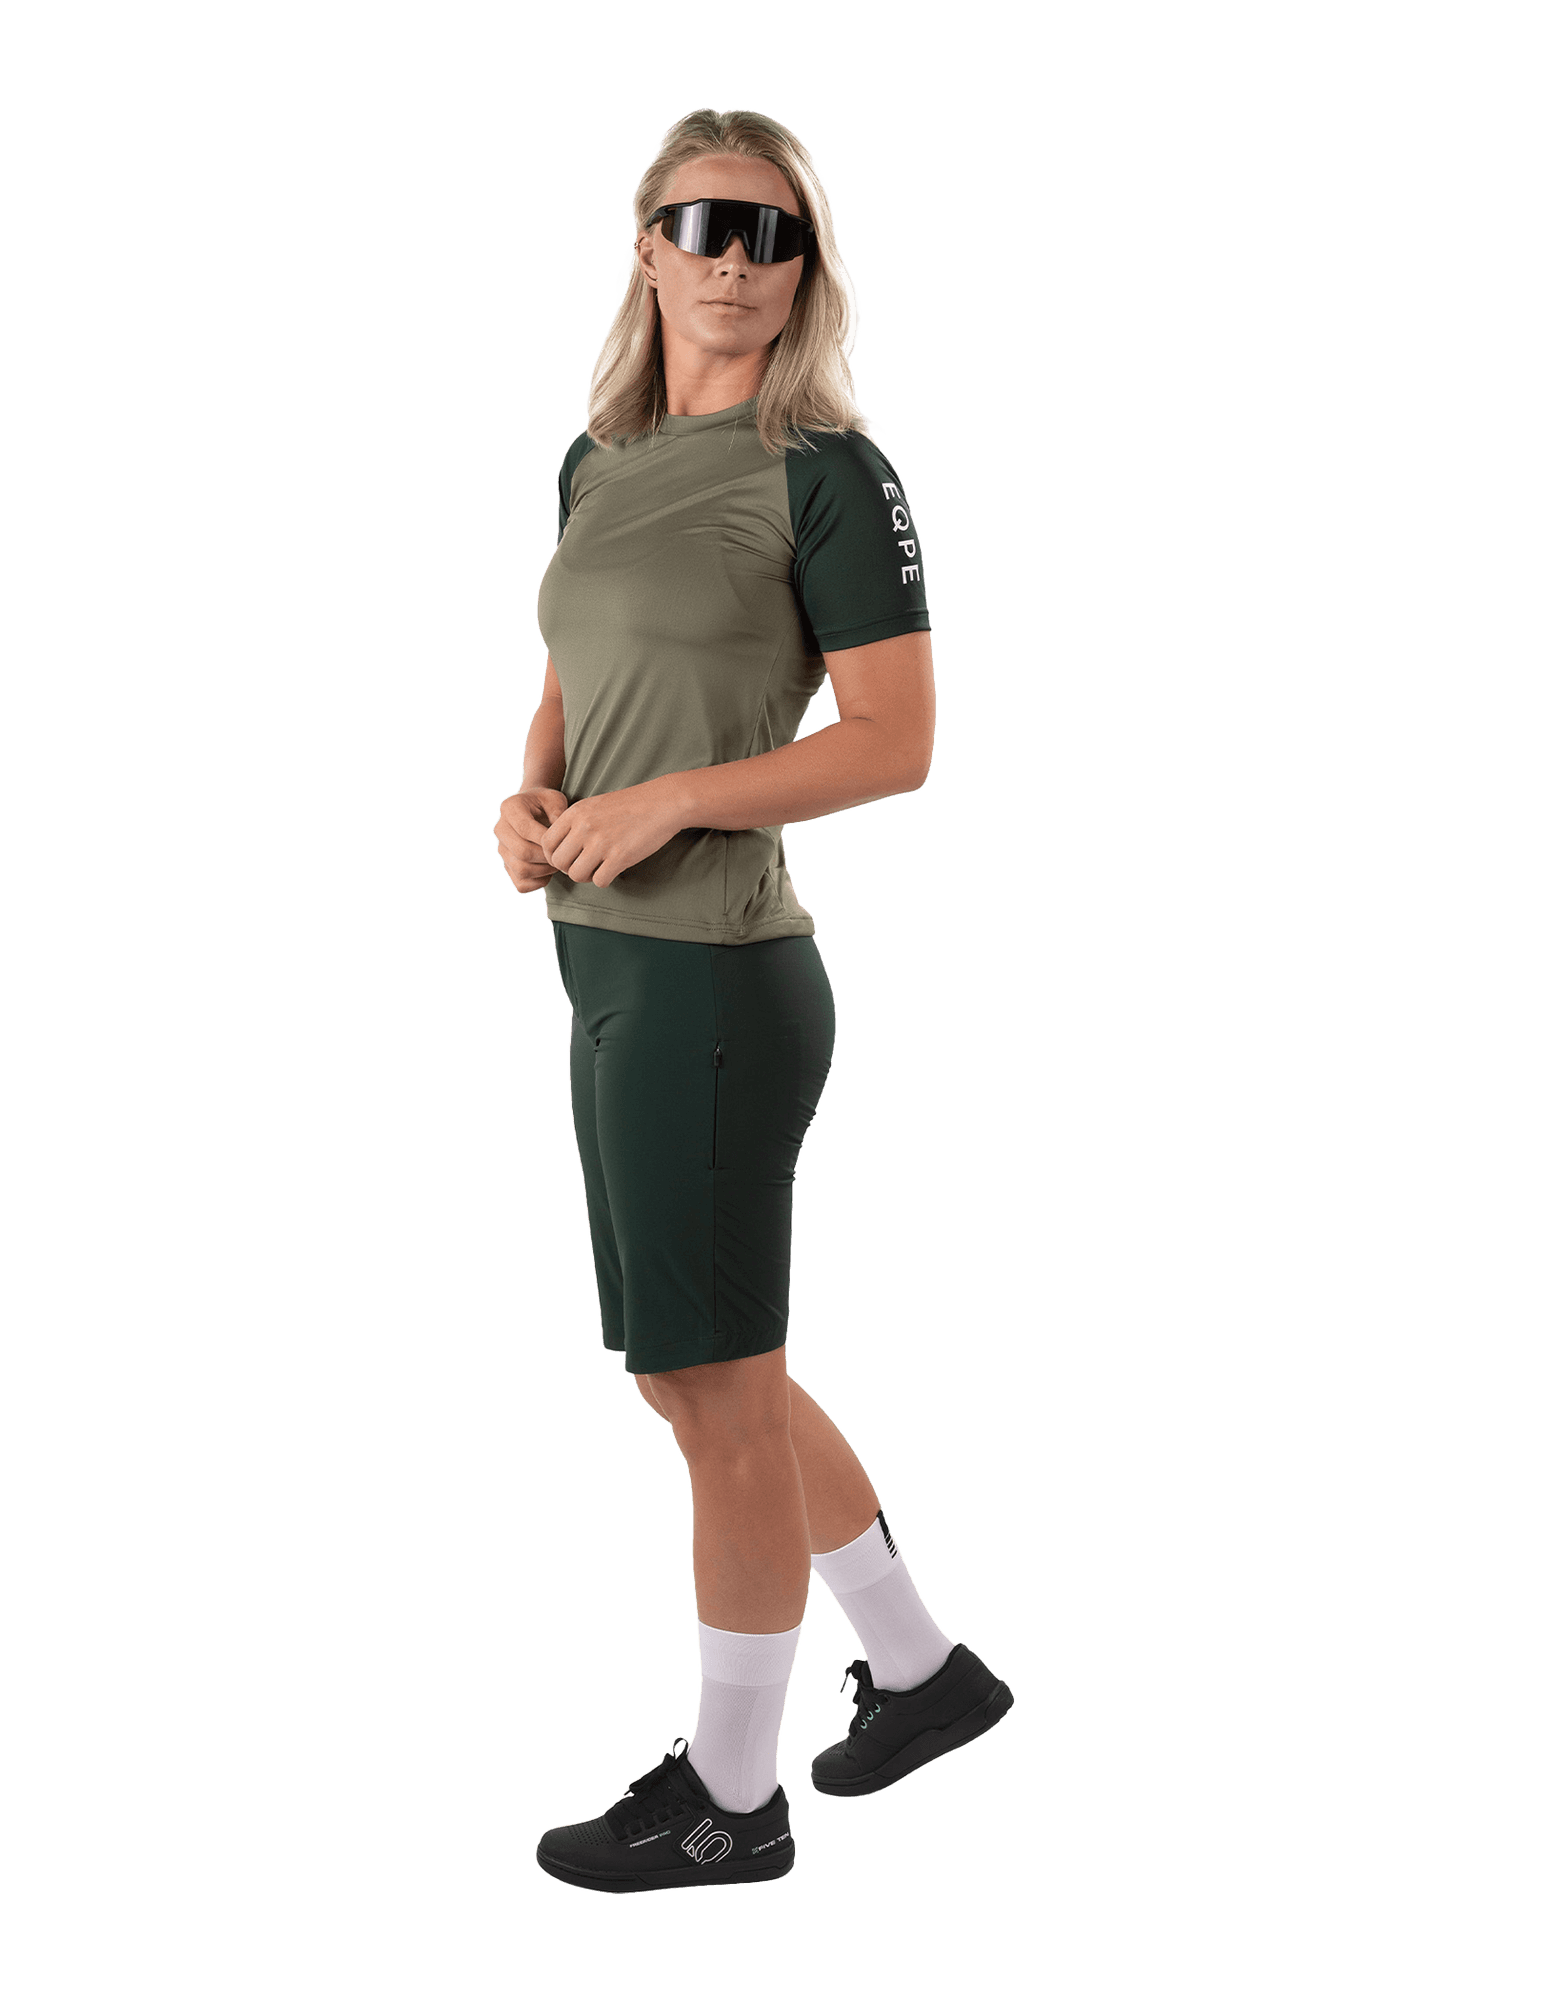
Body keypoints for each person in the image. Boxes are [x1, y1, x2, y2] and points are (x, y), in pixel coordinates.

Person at [495, 106, 1011, 1896]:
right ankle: (922, 1671)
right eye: (705, 224)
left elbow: (897, 741)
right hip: (605, 962)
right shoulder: (599, 461)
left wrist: (672, 805)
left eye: (773, 233)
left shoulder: (831, 471)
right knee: (705, 1374)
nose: (735, 259)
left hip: (719, 980)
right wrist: (532, 794)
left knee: (711, 1386)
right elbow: (577, 674)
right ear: (647, 245)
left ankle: (733, 1793)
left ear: (807, 271)